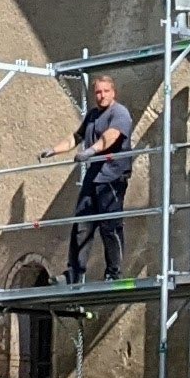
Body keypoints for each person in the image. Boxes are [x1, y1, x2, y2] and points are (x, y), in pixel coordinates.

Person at [64, 74, 136, 282]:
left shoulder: (119, 113)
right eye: (98, 92)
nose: (101, 95)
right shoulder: (92, 115)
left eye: (105, 91)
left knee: (109, 226)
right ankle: (74, 274)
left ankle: (114, 273)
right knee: (81, 225)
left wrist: (90, 151)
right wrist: (52, 151)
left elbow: (111, 136)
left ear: (113, 92)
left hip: (113, 176)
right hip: (93, 177)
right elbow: (74, 137)